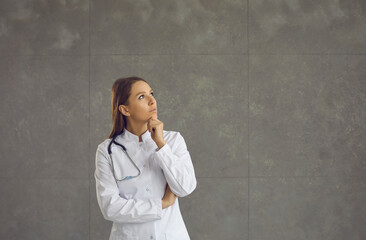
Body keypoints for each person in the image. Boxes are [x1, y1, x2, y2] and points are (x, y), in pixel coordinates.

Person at [94, 76, 197, 240]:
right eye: (142, 96)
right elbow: (110, 208)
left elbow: (185, 187)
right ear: (125, 110)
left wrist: (161, 145)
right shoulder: (107, 150)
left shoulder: (172, 140)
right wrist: (162, 204)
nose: (152, 101)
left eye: (151, 93)